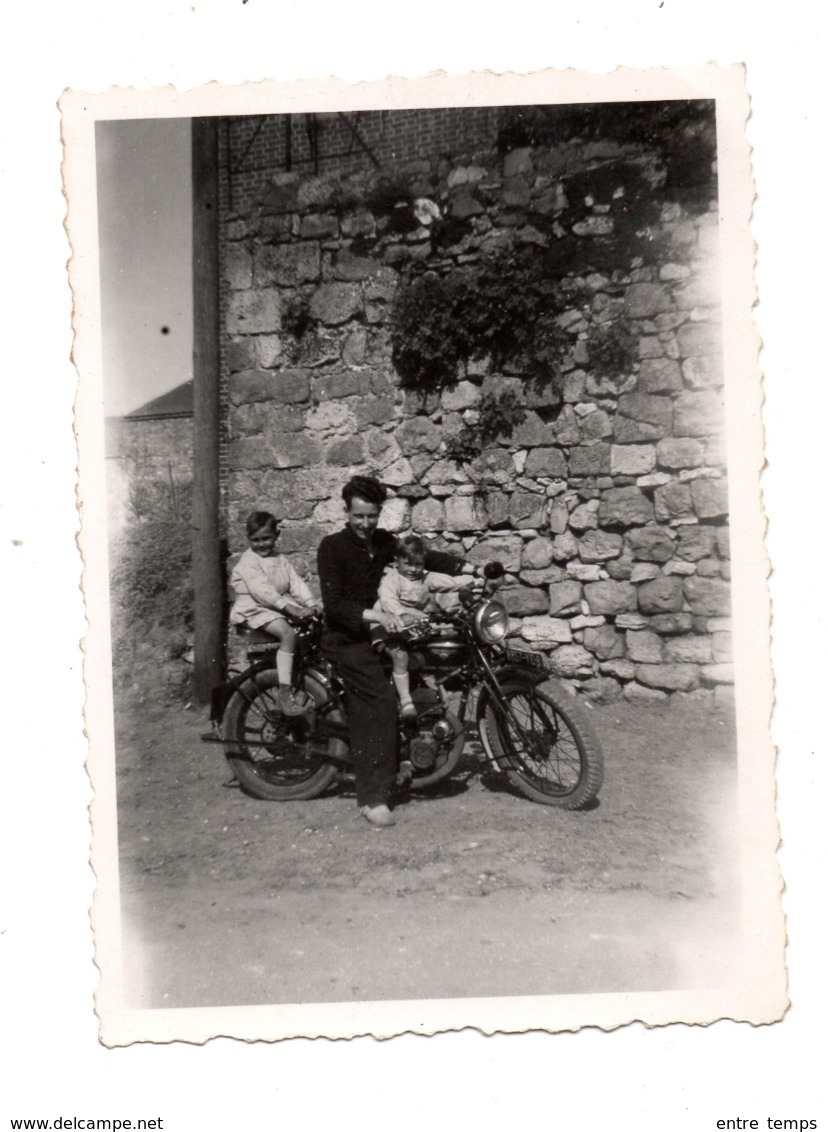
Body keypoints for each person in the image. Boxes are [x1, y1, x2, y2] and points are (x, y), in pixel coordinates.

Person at [317, 476, 479, 828]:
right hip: (348, 637)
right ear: (347, 512)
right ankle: (371, 797)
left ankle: (406, 759)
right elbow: (334, 605)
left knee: (421, 664)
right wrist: (378, 614)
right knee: (378, 698)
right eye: (358, 516)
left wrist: (468, 569)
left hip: (385, 632)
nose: (365, 524)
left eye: (371, 516)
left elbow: (425, 558)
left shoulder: (384, 542)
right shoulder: (332, 547)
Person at [373, 534, 477, 721]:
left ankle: (433, 691)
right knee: (400, 655)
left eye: (418, 564)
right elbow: (387, 600)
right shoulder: (392, 578)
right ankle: (406, 701)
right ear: (397, 562)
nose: (413, 569)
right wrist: (401, 614)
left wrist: (476, 580)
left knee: (435, 649)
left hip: (413, 626)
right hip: (388, 624)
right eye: (408, 564)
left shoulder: (426, 577)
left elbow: (450, 582)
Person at [230, 510, 318, 716]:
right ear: (248, 539)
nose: (262, 544)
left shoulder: (280, 559)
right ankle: (284, 694)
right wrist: (289, 608)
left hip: (274, 606)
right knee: (288, 634)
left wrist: (311, 603)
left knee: (311, 628)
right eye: (256, 540)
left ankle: (304, 681)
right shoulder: (248, 561)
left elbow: (295, 583)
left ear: (276, 535)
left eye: (266, 538)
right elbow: (262, 591)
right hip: (255, 608)